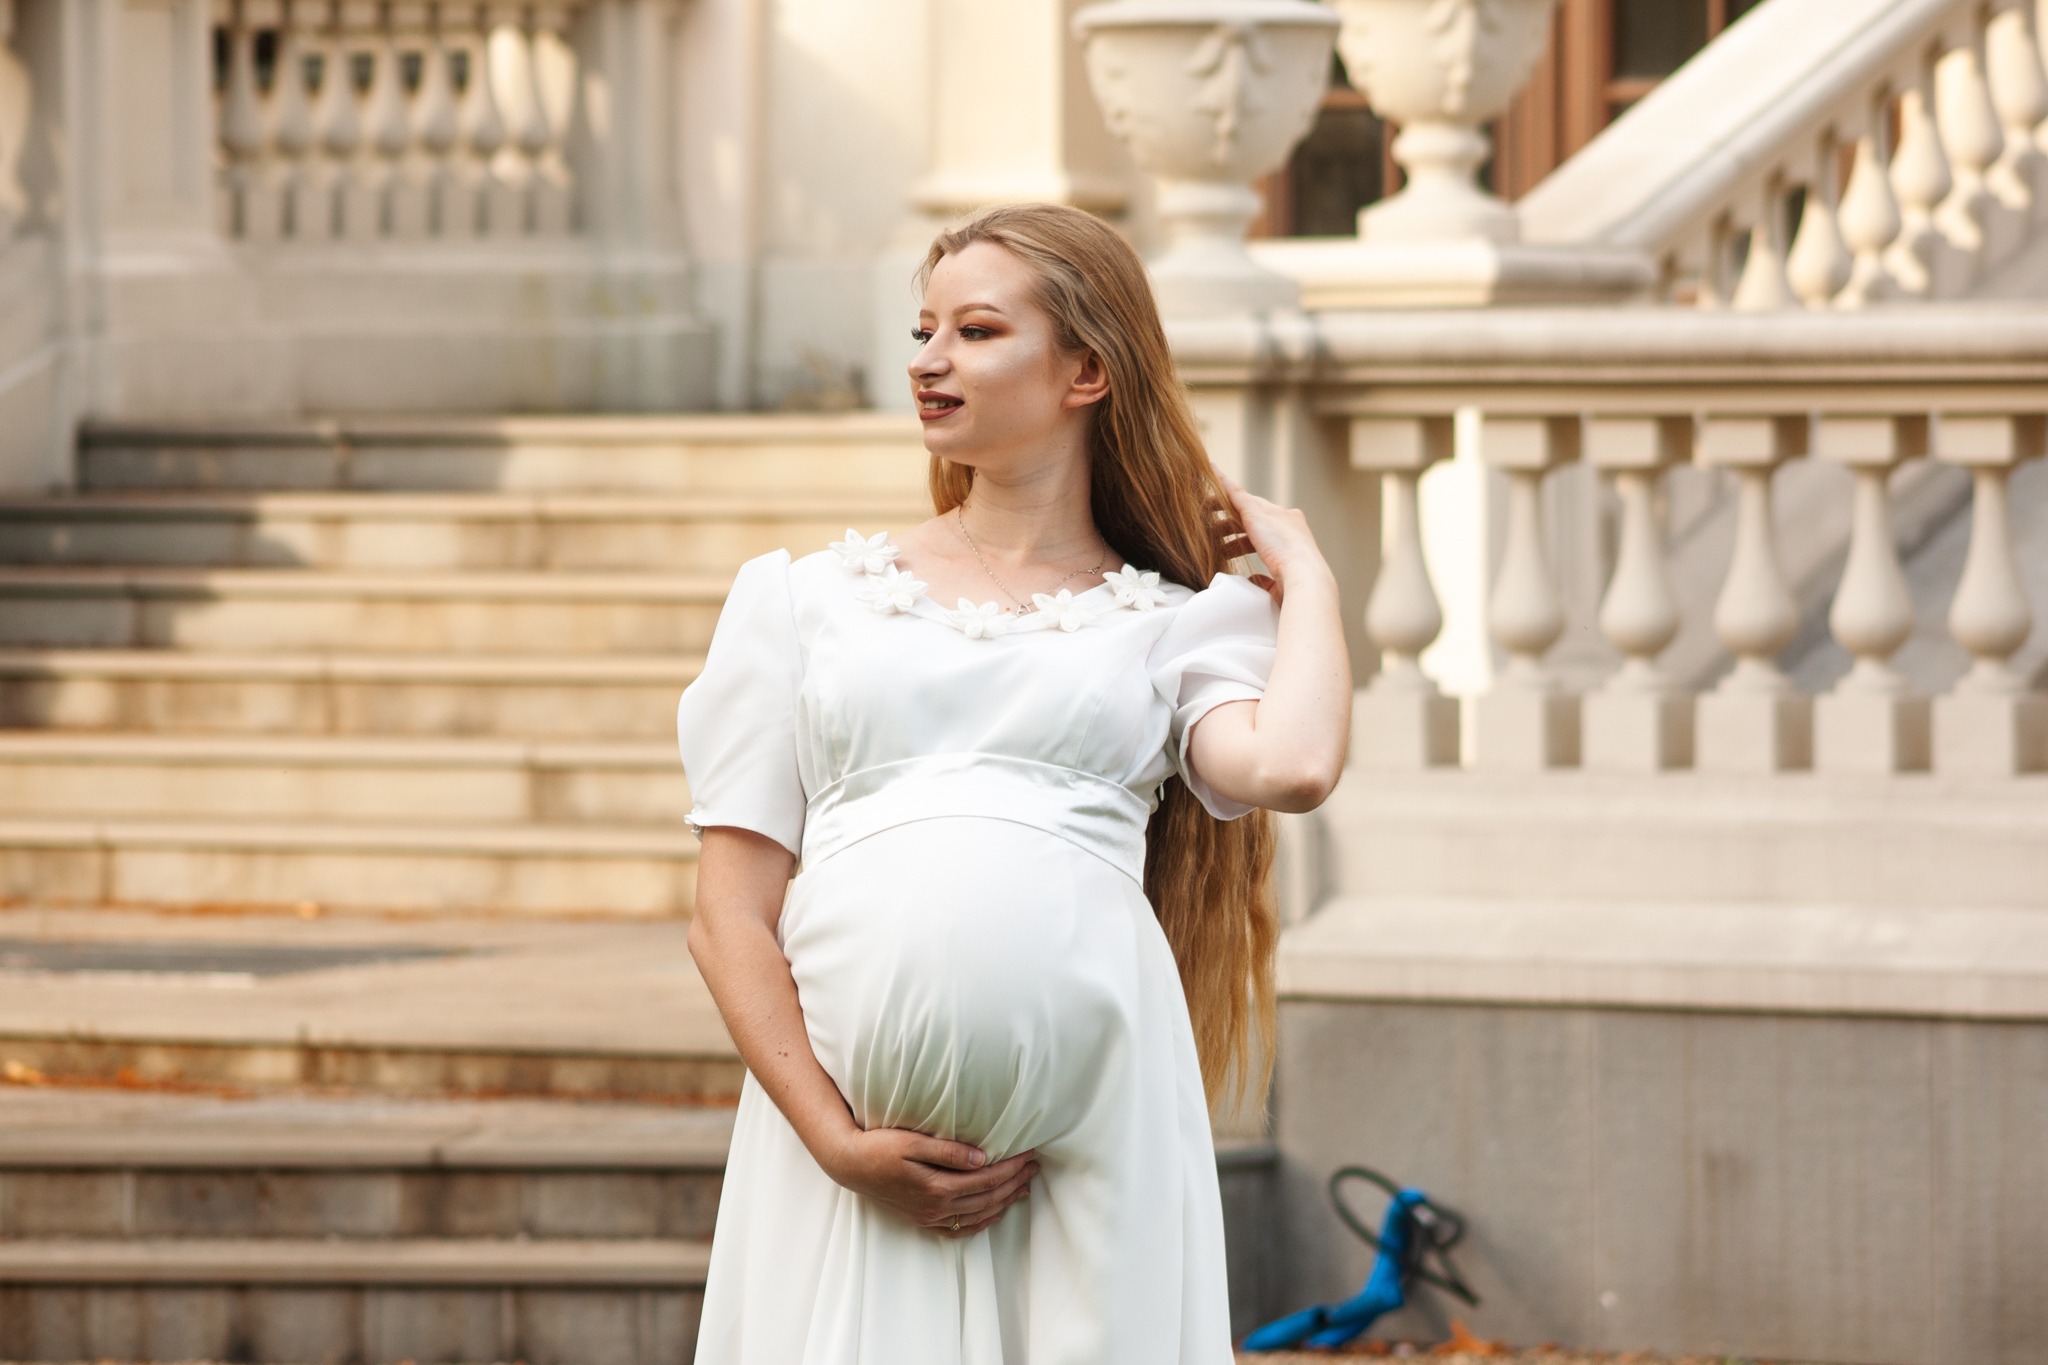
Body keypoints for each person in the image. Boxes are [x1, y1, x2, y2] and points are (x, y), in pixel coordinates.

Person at [678, 202, 1351, 1364]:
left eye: (976, 332)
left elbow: (1289, 765)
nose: (927, 361)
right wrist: (835, 1143)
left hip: (1095, 1146)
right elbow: (726, 913)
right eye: (922, 330)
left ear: (1085, 368)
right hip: (848, 1159)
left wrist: (1307, 576)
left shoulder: (1174, 624)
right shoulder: (802, 603)